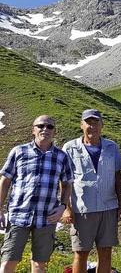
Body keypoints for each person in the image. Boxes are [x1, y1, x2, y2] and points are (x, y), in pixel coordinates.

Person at [0, 115, 73, 273]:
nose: (45, 129)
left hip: (47, 218)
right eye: (40, 126)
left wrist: (62, 206)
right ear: (33, 129)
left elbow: (67, 184)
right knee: (8, 262)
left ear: (54, 132)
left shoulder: (61, 157)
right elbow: (5, 181)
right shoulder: (19, 151)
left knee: (39, 264)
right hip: (18, 215)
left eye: (50, 127)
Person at [62, 109, 121, 273]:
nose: (92, 126)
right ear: (81, 125)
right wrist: (67, 208)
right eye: (88, 122)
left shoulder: (112, 147)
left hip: (108, 207)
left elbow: (118, 177)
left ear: (102, 125)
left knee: (105, 252)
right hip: (82, 209)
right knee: (81, 253)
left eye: (96, 122)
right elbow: (64, 180)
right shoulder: (70, 148)